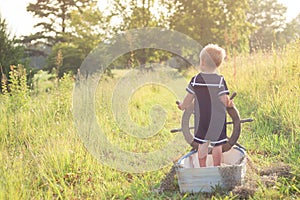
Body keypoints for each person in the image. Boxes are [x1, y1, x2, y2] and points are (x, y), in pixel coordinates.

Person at [178, 44, 234, 167]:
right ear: (218, 64)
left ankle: (202, 167)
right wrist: (229, 103)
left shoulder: (196, 79)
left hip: (201, 120)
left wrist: (182, 106)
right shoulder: (219, 81)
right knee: (217, 145)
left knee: (202, 144)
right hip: (217, 120)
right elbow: (224, 99)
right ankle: (217, 167)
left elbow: (189, 98)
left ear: (203, 61)